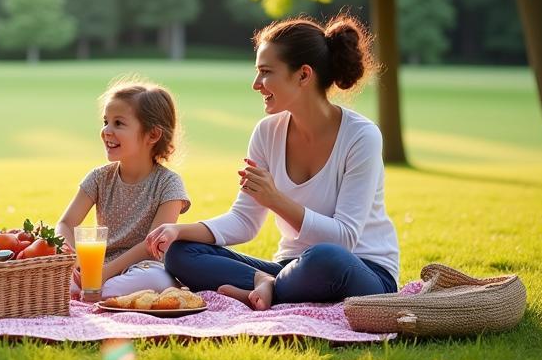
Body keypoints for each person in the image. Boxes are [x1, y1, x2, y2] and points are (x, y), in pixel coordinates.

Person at [147, 16, 399, 309]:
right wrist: (179, 231)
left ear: (303, 75)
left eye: (266, 72)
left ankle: (270, 288)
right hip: (292, 268)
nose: (256, 84)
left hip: (361, 269)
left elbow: (344, 239)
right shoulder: (267, 133)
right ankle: (268, 285)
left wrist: (275, 199)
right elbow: (244, 221)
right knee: (181, 253)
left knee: (325, 257)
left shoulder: (361, 136)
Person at [56, 79, 190, 299]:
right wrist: (72, 260)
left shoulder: (169, 184)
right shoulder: (99, 178)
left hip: (144, 268)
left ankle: (96, 291)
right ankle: (90, 290)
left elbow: (151, 245)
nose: (106, 131)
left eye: (118, 123)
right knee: (58, 280)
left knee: (156, 280)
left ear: (152, 135)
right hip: (98, 265)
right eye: (105, 121)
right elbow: (66, 223)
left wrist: (104, 274)